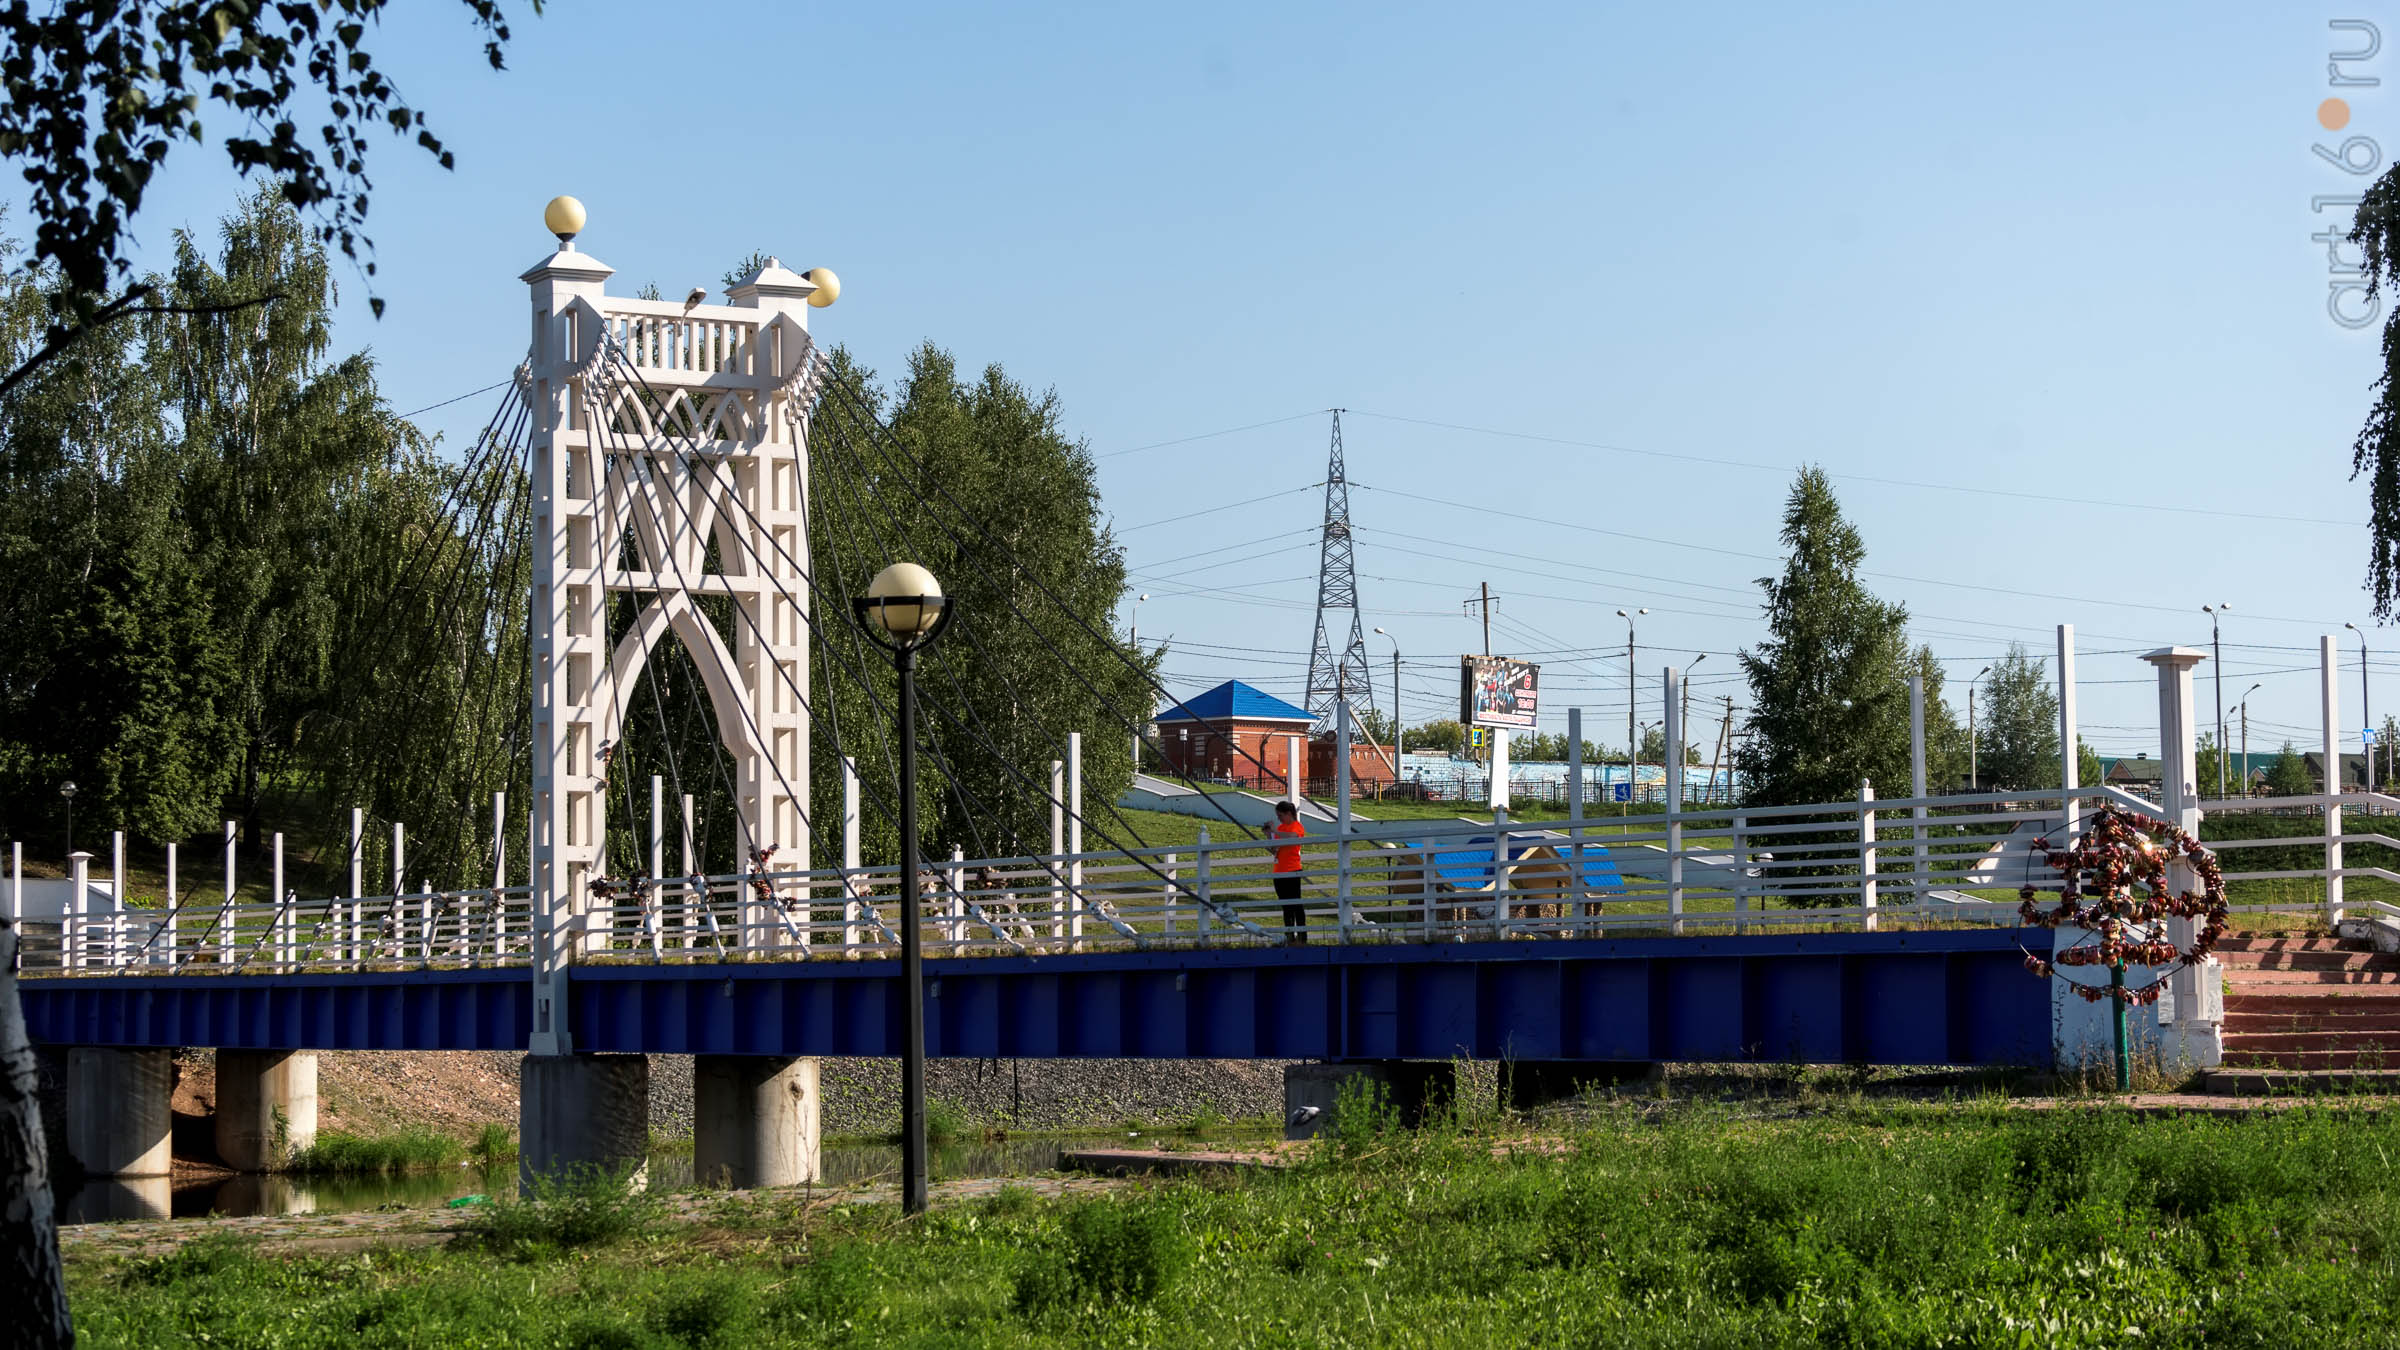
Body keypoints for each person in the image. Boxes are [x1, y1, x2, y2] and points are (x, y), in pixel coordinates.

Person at [1268, 800, 1308, 943]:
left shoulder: (1297, 826)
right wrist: (1269, 836)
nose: (1278, 818)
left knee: (1296, 904)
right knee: (1286, 906)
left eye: (1280, 815)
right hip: (1279, 871)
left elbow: (1294, 837)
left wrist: (1275, 832)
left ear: (1288, 813)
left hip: (1292, 869)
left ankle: (1302, 937)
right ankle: (1290, 936)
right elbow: (1274, 850)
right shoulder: (1280, 828)